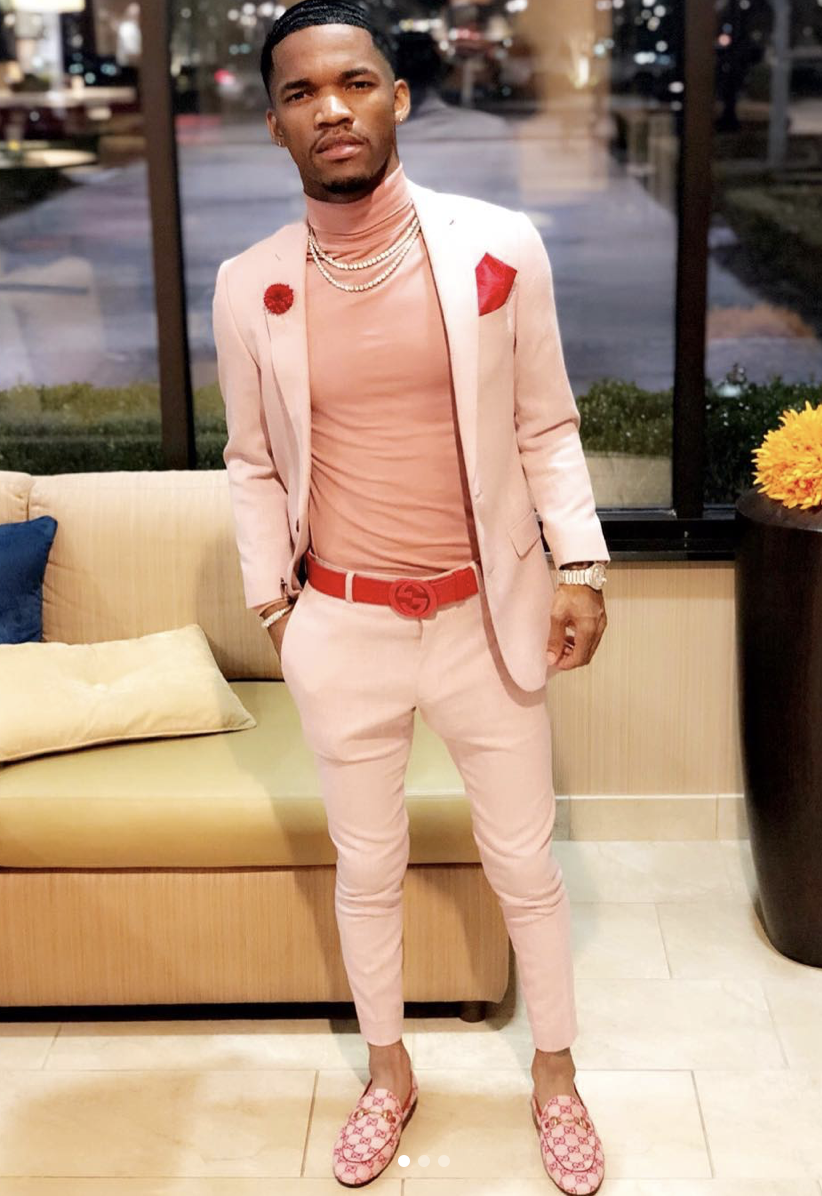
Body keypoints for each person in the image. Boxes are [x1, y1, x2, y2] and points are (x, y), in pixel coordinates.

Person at [211, 1, 609, 1190]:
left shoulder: (500, 246)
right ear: (276, 124)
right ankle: (389, 1073)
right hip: (343, 623)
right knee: (367, 865)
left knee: (525, 863)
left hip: (489, 616)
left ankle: (556, 1076)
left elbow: (546, 424)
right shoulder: (248, 284)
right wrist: (279, 612)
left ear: (397, 96)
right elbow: (251, 462)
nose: (330, 108)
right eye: (300, 92)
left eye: (353, 81)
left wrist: (580, 565)